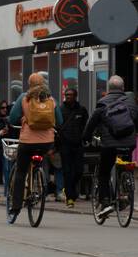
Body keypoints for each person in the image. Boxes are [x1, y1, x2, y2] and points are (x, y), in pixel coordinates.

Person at [7, 73, 62, 224]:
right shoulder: (51, 98)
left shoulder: (24, 97)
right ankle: (40, 180)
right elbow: (60, 120)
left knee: (20, 172)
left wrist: (23, 119)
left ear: (29, 84)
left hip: (27, 142)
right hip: (46, 142)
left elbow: (12, 118)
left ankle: (15, 209)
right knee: (40, 159)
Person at [82, 75, 138, 220]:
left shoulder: (102, 103)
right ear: (123, 88)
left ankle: (106, 202)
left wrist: (86, 138)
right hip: (129, 143)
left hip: (109, 144)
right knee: (125, 163)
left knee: (104, 172)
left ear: (108, 89)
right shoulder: (131, 102)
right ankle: (125, 189)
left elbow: (91, 124)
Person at [57, 86, 90, 209]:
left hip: (78, 145)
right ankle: (70, 197)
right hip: (65, 145)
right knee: (67, 171)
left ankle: (70, 188)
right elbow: (57, 126)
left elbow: (86, 126)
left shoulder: (81, 110)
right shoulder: (60, 110)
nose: (67, 97)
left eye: (70, 95)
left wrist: (85, 138)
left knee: (79, 171)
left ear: (75, 96)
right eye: (66, 95)